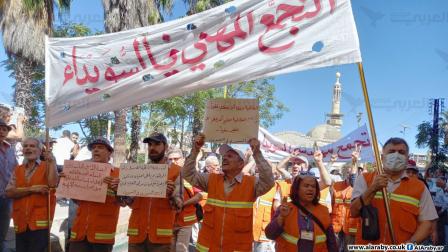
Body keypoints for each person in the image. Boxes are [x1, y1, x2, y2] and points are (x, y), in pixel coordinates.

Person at [183, 133, 275, 252]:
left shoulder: (251, 184)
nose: (225, 158)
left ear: (241, 164)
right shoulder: (211, 179)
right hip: (208, 247)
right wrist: (195, 149)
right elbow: (187, 174)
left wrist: (257, 153)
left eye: (230, 156)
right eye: (224, 156)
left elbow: (268, 181)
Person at [350, 137, 438, 244]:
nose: (396, 155)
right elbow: (354, 212)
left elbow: (427, 223)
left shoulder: (420, 187)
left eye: (401, 152)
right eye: (391, 152)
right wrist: (372, 189)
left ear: (407, 158)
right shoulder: (364, 179)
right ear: (382, 158)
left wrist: (408, 246)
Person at [126, 132, 180, 252]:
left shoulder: (176, 171)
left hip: (161, 240)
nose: (152, 148)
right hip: (137, 236)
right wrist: (120, 190)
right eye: (150, 144)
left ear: (165, 147)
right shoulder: (139, 172)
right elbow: (128, 202)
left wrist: (171, 195)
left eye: (156, 144)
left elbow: (179, 206)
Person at [68, 138, 121, 252]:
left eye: (100, 147)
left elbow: (125, 202)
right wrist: (67, 182)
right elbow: (76, 200)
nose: (95, 150)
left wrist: (117, 189)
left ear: (110, 153)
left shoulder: (118, 173)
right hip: (79, 232)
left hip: (102, 236)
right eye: (93, 148)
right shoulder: (82, 171)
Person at [6, 137, 58, 252]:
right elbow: (9, 192)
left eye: (32, 146)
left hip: (39, 223)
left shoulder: (48, 165)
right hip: (21, 222)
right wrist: (32, 189)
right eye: (25, 146)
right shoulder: (17, 169)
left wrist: (53, 162)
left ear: (40, 151)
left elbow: (53, 184)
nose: (28, 148)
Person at [265, 173, 338, 251]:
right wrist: (281, 217)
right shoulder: (285, 209)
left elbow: (331, 241)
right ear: (297, 189)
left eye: (313, 186)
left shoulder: (323, 210)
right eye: (306, 186)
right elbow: (270, 235)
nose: (310, 189)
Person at [0, 119, 17, 252]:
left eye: (4, 129)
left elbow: (16, 170)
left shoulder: (10, 150)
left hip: (7, 197)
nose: (1, 131)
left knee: (3, 229)